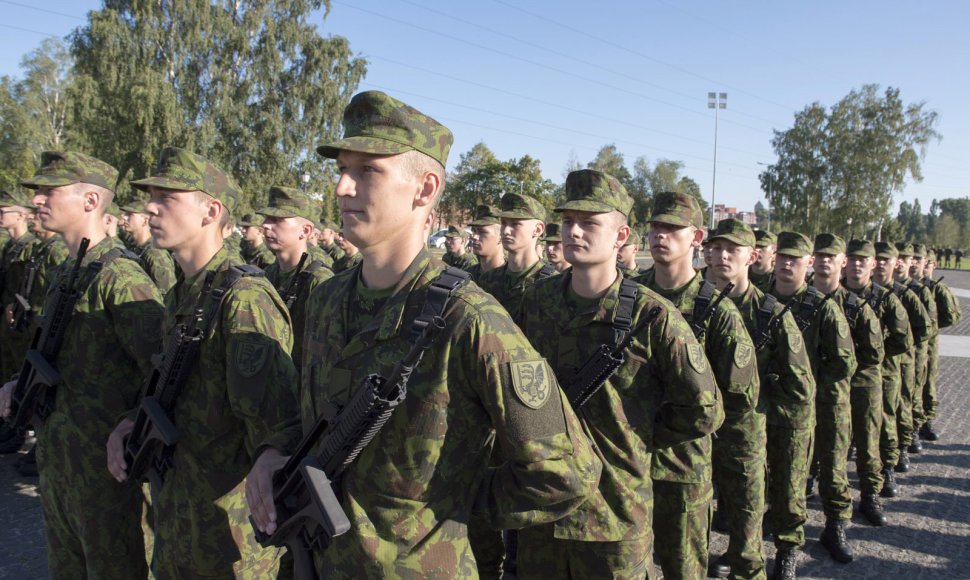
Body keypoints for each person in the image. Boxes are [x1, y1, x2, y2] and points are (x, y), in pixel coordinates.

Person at [245, 90, 602, 578]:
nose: (343, 188)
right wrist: (272, 452)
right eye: (341, 170)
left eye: (368, 170)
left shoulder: (470, 321)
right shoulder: (327, 300)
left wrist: (452, 506)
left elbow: (568, 471)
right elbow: (311, 416)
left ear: (425, 188)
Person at [105, 147, 301, 577]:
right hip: (179, 524)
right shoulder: (186, 293)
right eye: (149, 196)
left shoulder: (243, 299)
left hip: (228, 542)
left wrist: (272, 453)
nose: (150, 207)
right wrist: (130, 421)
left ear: (211, 211)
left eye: (167, 197)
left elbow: (280, 430)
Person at [515, 170, 722, 579]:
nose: (574, 230)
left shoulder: (653, 315)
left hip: (614, 515)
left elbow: (704, 410)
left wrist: (638, 435)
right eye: (568, 220)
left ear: (621, 235)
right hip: (542, 510)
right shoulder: (534, 302)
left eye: (590, 222)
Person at [0, 151, 165, 578]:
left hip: (106, 476)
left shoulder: (122, 279)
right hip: (59, 465)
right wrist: (19, 383)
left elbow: (161, 375)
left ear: (91, 201)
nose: (36, 199)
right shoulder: (67, 273)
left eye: (48, 191)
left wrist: (129, 424)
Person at [636, 205, 760, 580]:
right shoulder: (630, 295)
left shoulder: (718, 311)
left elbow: (740, 398)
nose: (660, 235)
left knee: (683, 567)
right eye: (655, 226)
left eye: (672, 228)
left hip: (683, 466)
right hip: (629, 459)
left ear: (696, 238)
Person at [707, 220, 816, 580]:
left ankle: (752, 558)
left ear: (752, 257)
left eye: (733, 250)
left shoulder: (771, 313)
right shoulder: (693, 304)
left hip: (746, 429)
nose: (722, 256)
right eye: (717, 247)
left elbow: (801, 386)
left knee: (745, 508)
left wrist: (762, 401)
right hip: (697, 425)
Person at [769, 232, 857, 564]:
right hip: (771, 405)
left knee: (832, 469)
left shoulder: (823, 309)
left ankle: (834, 527)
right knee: (772, 475)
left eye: (796, 258)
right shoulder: (761, 302)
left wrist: (806, 383)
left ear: (808, 262)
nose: (787, 263)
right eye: (783, 257)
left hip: (821, 403)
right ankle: (774, 529)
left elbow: (845, 362)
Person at [811, 235, 887, 527]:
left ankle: (867, 497)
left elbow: (875, 352)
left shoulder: (855, 306)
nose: (824, 260)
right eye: (819, 254)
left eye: (832, 255)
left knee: (854, 449)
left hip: (848, 389)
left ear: (840, 262)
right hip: (802, 393)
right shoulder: (794, 300)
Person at [844, 240, 912, 499]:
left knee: (870, 436)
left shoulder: (885, 299)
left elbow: (903, 339)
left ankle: (872, 489)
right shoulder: (833, 296)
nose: (857, 265)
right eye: (853, 259)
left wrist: (873, 355)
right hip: (836, 379)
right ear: (845, 262)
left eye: (863, 260)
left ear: (872, 264)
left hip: (871, 377)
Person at [258, 185, 334, 369]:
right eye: (266, 218)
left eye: (277, 219)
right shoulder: (268, 274)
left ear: (306, 230)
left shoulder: (320, 281)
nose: (265, 225)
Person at [479, 193, 555, 322]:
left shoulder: (553, 284)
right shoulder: (488, 280)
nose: (506, 231)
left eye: (515, 224)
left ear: (537, 229)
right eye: (503, 223)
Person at [892, 242, 935, 464]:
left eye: (912, 258)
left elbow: (931, 325)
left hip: (912, 354)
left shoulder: (917, 292)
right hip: (885, 361)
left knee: (908, 397)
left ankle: (906, 440)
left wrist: (908, 344)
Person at [0, 190, 42, 382]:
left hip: (23, 322)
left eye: (3, 212)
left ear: (20, 215)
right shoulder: (9, 246)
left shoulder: (32, 246)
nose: (0, 216)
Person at [908, 244, 941, 445]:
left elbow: (946, 316)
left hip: (925, 345)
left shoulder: (930, 289)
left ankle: (924, 420)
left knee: (926, 383)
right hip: (906, 349)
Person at [120, 198, 178, 294]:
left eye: (130, 214)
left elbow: (167, 293)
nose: (124, 217)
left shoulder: (155, 254)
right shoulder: (134, 248)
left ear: (145, 220)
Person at [466, 204, 506, 283]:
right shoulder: (467, 275)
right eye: (474, 231)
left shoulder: (512, 278)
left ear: (500, 237)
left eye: (482, 232)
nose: (474, 236)